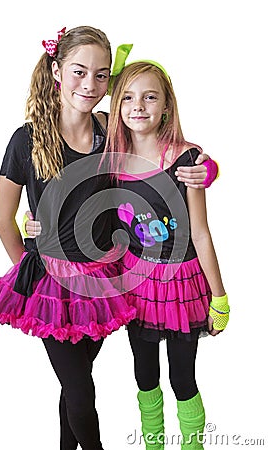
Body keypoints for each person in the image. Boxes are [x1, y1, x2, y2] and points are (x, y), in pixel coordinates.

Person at [0, 26, 138, 450]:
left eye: (102, 75)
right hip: (52, 283)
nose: (90, 85)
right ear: (56, 70)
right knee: (82, 390)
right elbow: (1, 216)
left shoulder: (111, 131)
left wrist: (205, 170)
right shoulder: (27, 138)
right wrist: (31, 271)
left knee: (75, 386)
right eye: (79, 72)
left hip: (102, 280)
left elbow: (162, 150)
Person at [102, 45, 230, 449]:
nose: (138, 106)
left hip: (181, 284)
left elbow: (201, 233)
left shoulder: (187, 160)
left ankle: (192, 445)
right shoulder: (110, 159)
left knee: (182, 377)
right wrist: (35, 217)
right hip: (135, 284)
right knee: (143, 375)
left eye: (150, 96)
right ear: (117, 104)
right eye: (128, 96)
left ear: (166, 107)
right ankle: (153, 444)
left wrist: (220, 296)